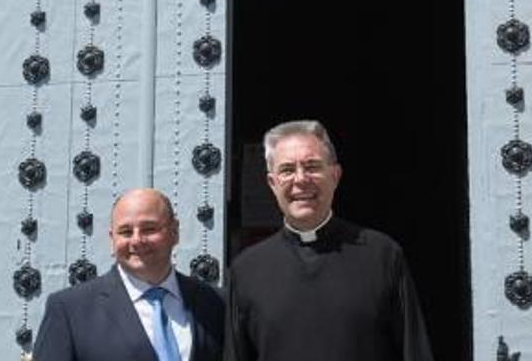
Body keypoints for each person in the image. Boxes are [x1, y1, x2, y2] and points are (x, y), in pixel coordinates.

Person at [224, 120, 434, 361]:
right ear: (272, 183)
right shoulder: (247, 270)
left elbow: (414, 352)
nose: (300, 179)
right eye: (287, 170)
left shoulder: (382, 255)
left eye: (312, 166)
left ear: (335, 175)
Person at [33, 188, 224, 361]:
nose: (137, 240)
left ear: (174, 232)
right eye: (125, 232)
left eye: (149, 229)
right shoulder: (70, 310)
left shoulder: (215, 302)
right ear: (112, 239)